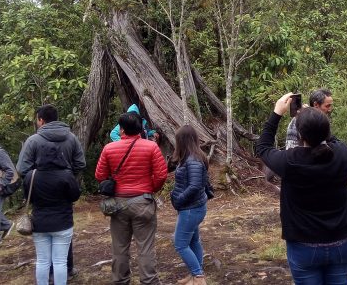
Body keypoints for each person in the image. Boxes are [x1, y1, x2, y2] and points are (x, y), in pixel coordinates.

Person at [255, 93, 347, 285]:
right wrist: (312, 118)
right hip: (342, 242)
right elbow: (330, 138)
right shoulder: (343, 153)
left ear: (300, 135)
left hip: (304, 245)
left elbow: (262, 147)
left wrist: (277, 113)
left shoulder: (290, 161)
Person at [95, 111, 168, 285]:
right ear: (140, 129)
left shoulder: (109, 148)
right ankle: (149, 281)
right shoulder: (151, 147)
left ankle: (120, 281)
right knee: (146, 247)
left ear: (121, 130)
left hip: (118, 204)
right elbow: (161, 175)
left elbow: (100, 175)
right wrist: (150, 189)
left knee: (119, 248)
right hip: (143, 202)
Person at [18, 104, 86, 279]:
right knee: (64, 227)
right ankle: (68, 269)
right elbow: (80, 164)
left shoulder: (33, 141)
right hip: (65, 191)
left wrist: (37, 178)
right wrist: (67, 178)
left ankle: (49, 273)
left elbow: (22, 168)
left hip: (40, 196)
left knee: (44, 239)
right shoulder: (71, 138)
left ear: (41, 120)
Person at [24, 140, 81, 285]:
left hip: (39, 223)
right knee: (60, 261)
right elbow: (75, 195)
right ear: (58, 155)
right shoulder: (66, 175)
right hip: (63, 222)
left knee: (42, 261)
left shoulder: (31, 176)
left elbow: (28, 198)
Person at [170, 125, 210, 285]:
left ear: (183, 141)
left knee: (180, 243)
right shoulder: (190, 157)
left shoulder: (193, 160)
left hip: (191, 208)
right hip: (193, 207)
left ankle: (199, 278)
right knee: (193, 241)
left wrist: (179, 199)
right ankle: (195, 274)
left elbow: (194, 186)